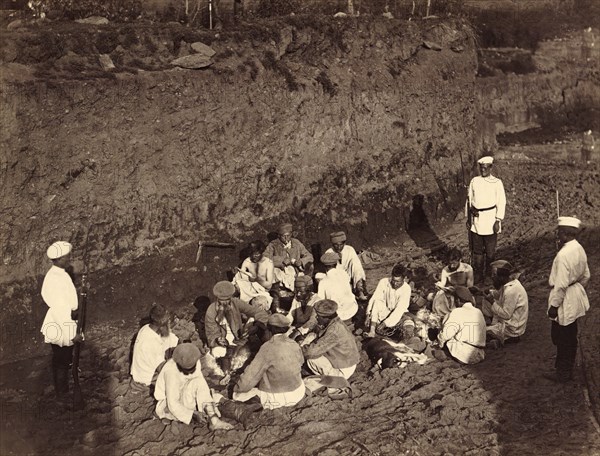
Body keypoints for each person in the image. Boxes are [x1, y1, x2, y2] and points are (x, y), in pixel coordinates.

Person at [154, 343, 260, 430]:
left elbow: (200, 383)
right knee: (213, 401)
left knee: (212, 396)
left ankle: (235, 414)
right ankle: (220, 417)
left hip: (187, 394)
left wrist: (207, 397)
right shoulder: (171, 371)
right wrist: (192, 414)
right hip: (169, 404)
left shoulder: (194, 362)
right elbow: (172, 403)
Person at [545, 217, 590, 383]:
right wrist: (577, 290)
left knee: (562, 337)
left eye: (559, 232)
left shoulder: (563, 255)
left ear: (565, 234)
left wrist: (554, 306)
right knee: (569, 334)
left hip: (564, 297)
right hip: (574, 293)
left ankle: (563, 372)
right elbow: (586, 275)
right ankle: (565, 369)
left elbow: (561, 285)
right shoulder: (578, 248)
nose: (557, 234)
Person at [233, 313, 305, 409]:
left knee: (237, 395)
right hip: (298, 392)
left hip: (280, 398)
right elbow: (301, 362)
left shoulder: (267, 347)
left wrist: (237, 388)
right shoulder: (294, 343)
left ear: (269, 328)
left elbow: (251, 376)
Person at [41, 241, 79, 398]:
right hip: (61, 322)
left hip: (58, 320)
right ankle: (62, 392)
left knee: (60, 358)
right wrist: (72, 334)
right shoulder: (58, 278)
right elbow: (62, 310)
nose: (68, 259)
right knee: (62, 359)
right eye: (66, 257)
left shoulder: (55, 274)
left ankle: (62, 389)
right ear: (58, 259)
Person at [204, 281, 269, 363]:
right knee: (218, 352)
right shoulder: (211, 310)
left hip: (239, 338)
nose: (224, 304)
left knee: (258, 324)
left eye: (227, 300)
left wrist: (256, 326)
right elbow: (211, 334)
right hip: (224, 343)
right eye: (221, 301)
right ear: (217, 299)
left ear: (231, 297)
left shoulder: (236, 303)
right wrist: (218, 339)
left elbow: (259, 312)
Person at [466, 156, 506, 285]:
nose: (483, 170)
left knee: (490, 251)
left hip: (490, 220)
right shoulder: (474, 181)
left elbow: (502, 201)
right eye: (481, 168)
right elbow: (469, 200)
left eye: (485, 168)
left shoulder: (497, 182)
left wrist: (498, 219)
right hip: (476, 221)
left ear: (490, 168)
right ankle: (478, 275)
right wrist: (469, 215)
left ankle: (489, 275)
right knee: (477, 251)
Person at [302, 300, 360, 383]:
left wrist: (299, 350)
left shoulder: (334, 330)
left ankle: (332, 379)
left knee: (311, 359)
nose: (316, 318)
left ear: (325, 317)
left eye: (318, 316)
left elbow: (311, 352)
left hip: (343, 370)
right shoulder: (335, 322)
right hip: (344, 361)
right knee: (312, 336)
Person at [130, 304, 179, 390]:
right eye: (168, 321)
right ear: (163, 324)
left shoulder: (146, 328)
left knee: (171, 340)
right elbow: (162, 368)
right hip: (147, 377)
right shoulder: (151, 344)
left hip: (143, 369)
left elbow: (168, 338)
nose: (170, 322)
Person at [482, 260, 528, 345]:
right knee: (486, 300)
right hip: (509, 322)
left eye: (494, 275)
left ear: (502, 277)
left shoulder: (511, 290)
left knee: (477, 332)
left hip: (512, 328)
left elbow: (506, 315)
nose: (492, 277)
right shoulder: (508, 284)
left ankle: (506, 338)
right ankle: (494, 329)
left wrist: (492, 301)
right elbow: (500, 295)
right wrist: (489, 292)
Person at [438, 286, 486, 364]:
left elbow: (446, 334)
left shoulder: (457, 312)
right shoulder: (478, 311)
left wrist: (439, 343)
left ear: (458, 300)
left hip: (465, 355)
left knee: (446, 337)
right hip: (480, 354)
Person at [264, 223, 314, 292]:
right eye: (283, 236)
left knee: (310, 266)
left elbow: (309, 256)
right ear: (279, 236)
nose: (286, 238)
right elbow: (265, 258)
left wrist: (301, 261)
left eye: (288, 236)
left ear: (291, 235)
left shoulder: (296, 243)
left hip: (295, 269)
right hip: (281, 270)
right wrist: (282, 260)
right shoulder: (273, 244)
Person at [365, 263, 412, 337]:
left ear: (404, 279)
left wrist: (385, 323)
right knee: (377, 302)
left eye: (398, 281)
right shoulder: (384, 282)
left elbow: (399, 310)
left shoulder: (406, 289)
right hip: (385, 310)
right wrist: (368, 314)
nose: (395, 283)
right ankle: (372, 331)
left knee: (409, 326)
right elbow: (375, 298)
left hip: (399, 315)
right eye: (393, 280)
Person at [324, 231, 368, 300]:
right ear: (332, 244)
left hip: (349, 275)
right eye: (336, 245)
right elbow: (331, 272)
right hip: (337, 278)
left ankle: (360, 291)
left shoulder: (349, 249)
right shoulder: (329, 253)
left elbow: (356, 266)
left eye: (341, 244)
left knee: (356, 264)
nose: (338, 247)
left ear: (344, 243)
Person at [432, 248, 474, 317]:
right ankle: (444, 314)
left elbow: (470, 286)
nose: (451, 266)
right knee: (439, 294)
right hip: (451, 293)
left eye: (454, 263)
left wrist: (461, 291)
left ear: (460, 260)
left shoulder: (467, 268)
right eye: (450, 263)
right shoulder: (445, 270)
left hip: (464, 293)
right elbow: (443, 283)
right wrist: (439, 286)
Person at [317, 252, 358, 323]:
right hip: (351, 308)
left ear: (324, 267)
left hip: (338, 314)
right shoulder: (344, 274)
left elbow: (321, 301)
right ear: (336, 264)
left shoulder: (323, 282)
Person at [232, 240, 274, 306]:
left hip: (261, 291)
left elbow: (269, 286)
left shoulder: (268, 263)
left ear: (262, 252)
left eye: (257, 254)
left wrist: (257, 279)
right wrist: (236, 273)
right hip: (248, 288)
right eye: (252, 254)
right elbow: (241, 278)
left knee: (258, 302)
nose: (254, 256)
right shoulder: (247, 261)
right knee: (234, 288)